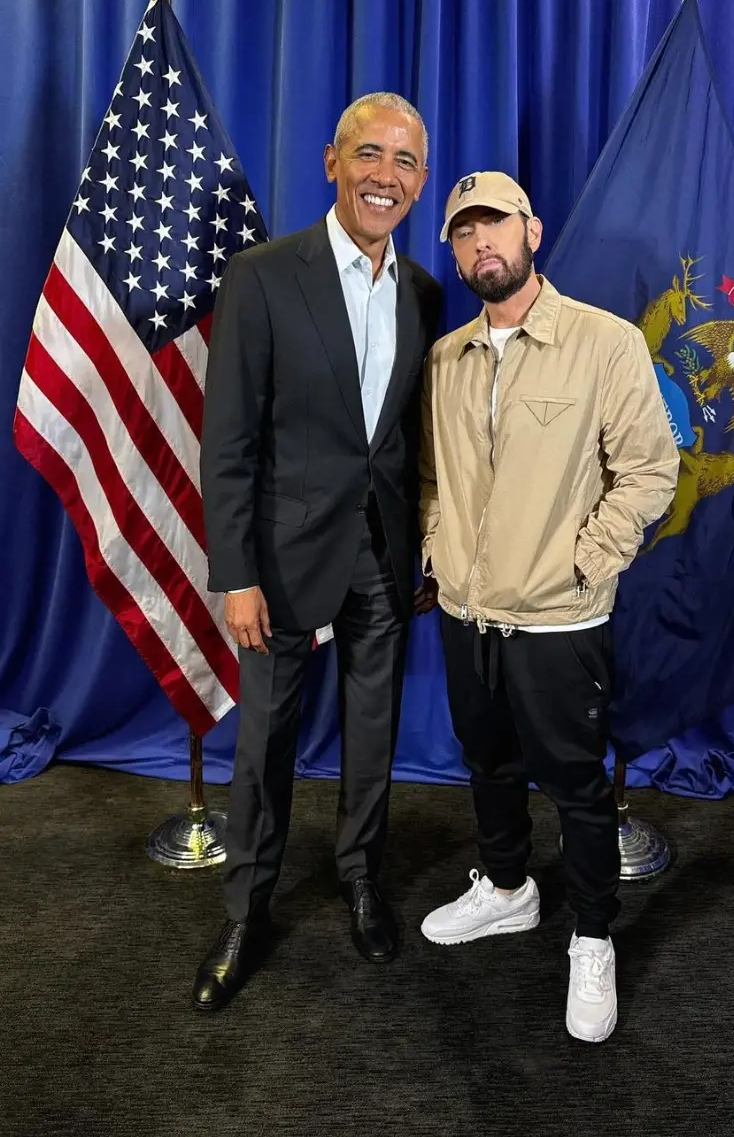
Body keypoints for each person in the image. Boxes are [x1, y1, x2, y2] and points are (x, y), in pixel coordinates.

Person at [195, 93, 443, 1011]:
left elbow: (408, 437)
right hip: (281, 561)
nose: (386, 175)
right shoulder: (261, 276)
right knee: (265, 744)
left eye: (405, 162)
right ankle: (246, 910)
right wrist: (236, 574)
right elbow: (229, 444)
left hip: (382, 557)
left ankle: (361, 877)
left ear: (420, 183)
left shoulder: (422, 290)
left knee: (370, 736)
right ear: (331, 162)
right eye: (369, 155)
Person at [418, 171, 679, 1043]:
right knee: (485, 760)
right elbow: (430, 480)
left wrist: (585, 563)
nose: (480, 241)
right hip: (466, 611)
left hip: (560, 620)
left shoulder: (602, 344)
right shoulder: (445, 359)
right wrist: (435, 548)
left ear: (532, 229)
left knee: (573, 783)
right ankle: (504, 888)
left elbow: (648, 471)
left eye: (494, 222)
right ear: (453, 250)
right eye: (463, 231)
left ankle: (594, 934)